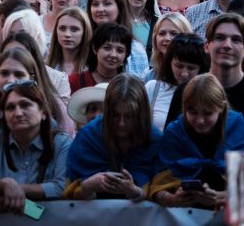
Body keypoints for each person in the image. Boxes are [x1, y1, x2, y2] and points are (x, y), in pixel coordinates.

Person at [0, 80, 72, 212]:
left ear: (43, 112)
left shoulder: (62, 142)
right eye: (10, 107)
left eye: (25, 105)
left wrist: (14, 190)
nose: (18, 113)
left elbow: (62, 187)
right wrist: (5, 184)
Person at [153, 73, 244, 208]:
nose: (200, 120)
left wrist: (223, 197)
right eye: (192, 112)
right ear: (184, 108)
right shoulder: (174, 133)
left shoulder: (238, 127)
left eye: (207, 113)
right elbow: (156, 183)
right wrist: (171, 199)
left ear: (221, 107)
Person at [65, 74, 159, 200]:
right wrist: (87, 186)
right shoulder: (88, 137)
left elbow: (161, 192)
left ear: (141, 115)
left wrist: (134, 191)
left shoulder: (153, 139)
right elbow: (68, 194)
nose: (121, 123)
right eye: (115, 115)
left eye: (129, 116)